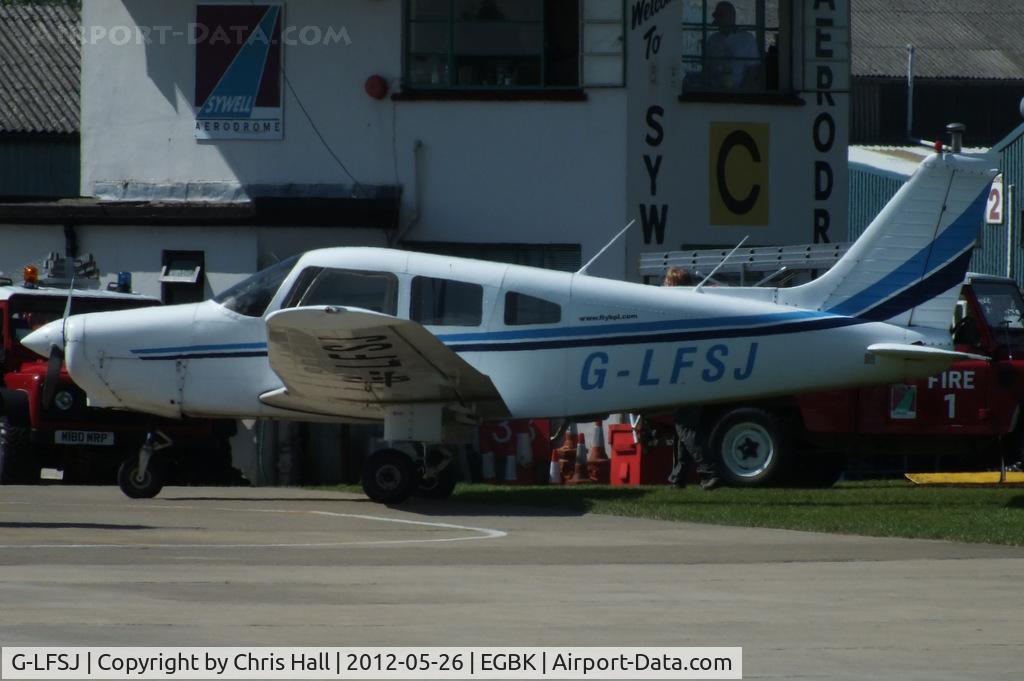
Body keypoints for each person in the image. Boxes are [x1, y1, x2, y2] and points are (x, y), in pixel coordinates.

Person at [662, 267, 721, 490]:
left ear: (674, 285)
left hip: (687, 375)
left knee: (685, 426)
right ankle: (678, 477)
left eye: (667, 282)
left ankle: (709, 471)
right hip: (698, 374)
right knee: (683, 425)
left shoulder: (677, 308)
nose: (664, 286)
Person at [703, 1, 760, 90]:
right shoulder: (712, 39)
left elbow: (753, 69)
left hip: (739, 92)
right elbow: (707, 68)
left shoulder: (747, 39)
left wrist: (743, 93)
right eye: (716, 15)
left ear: (731, 17)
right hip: (715, 92)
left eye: (720, 15)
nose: (717, 19)